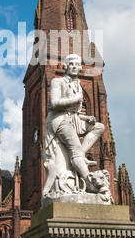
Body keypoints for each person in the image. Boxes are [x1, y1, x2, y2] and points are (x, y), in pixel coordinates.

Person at [44, 54, 105, 194]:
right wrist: (74, 99)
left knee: (99, 127)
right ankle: (89, 182)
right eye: (71, 64)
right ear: (65, 66)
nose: (74, 67)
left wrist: (86, 117)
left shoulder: (78, 85)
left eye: (77, 65)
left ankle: (79, 155)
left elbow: (75, 112)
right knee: (75, 149)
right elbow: (53, 104)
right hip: (59, 119)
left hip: (74, 119)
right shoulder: (57, 82)